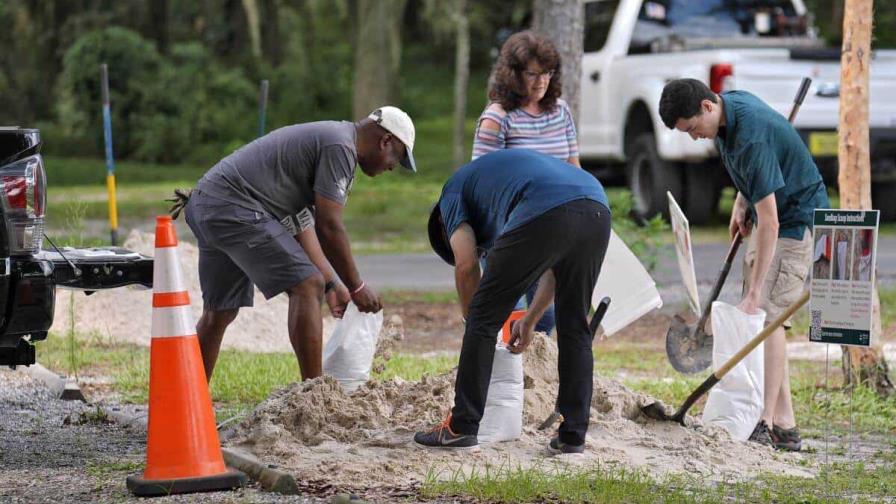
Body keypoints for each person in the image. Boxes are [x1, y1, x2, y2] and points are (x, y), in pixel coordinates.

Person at [180, 106, 416, 382]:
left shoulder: (331, 138)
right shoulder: (341, 147)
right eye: (396, 158)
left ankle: (186, 402)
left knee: (219, 312)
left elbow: (301, 223)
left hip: (209, 202)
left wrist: (333, 284)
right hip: (233, 206)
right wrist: (357, 286)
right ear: (385, 141)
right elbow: (329, 226)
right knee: (306, 285)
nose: (392, 167)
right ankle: (313, 395)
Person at [659, 79, 829, 452]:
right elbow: (754, 173)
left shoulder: (749, 134)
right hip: (771, 212)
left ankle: (764, 422)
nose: (693, 137)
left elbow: (771, 222)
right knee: (764, 319)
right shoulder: (726, 112)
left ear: (706, 106)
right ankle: (785, 424)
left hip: (794, 220)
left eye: (691, 129)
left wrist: (753, 292)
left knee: (767, 318)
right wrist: (741, 201)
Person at [414, 149, 611, 454]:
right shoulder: (495, 188)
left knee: (482, 316)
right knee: (574, 325)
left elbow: (466, 265)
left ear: (442, 225)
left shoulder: (450, 195)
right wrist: (530, 319)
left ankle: (460, 428)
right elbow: (555, 271)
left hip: (546, 206)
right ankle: (573, 435)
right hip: (596, 205)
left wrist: (476, 323)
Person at [471, 30, 581, 335]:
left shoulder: (561, 111)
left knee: (545, 317)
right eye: (533, 74)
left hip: (553, 230)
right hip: (509, 233)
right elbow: (481, 183)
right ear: (512, 74)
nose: (541, 82)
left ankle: (536, 379)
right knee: (511, 312)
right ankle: (505, 377)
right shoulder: (497, 117)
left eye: (547, 73)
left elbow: (574, 169)